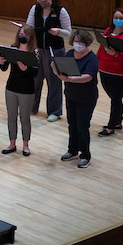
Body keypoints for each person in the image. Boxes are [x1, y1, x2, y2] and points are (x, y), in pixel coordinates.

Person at [54, 30, 99, 169]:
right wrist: (56, 70)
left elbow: (87, 77)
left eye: (80, 42)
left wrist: (69, 79)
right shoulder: (69, 54)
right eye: (76, 41)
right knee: (72, 125)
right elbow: (61, 70)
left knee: (82, 127)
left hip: (86, 98)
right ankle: (72, 151)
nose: (77, 44)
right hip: (71, 95)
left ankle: (85, 155)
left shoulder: (92, 59)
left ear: (86, 43)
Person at [28, 0, 72, 122]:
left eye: (45, 1)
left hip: (56, 51)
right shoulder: (34, 9)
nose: (42, 4)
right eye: (40, 1)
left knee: (54, 82)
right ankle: (31, 107)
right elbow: (29, 28)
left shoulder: (61, 11)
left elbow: (68, 32)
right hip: (38, 49)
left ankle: (54, 111)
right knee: (35, 79)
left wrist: (59, 32)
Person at [97, 7, 123, 137]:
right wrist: (96, 61)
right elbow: (101, 48)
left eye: (121, 18)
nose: (118, 20)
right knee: (115, 97)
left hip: (121, 73)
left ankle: (111, 126)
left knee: (115, 98)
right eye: (116, 18)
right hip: (104, 70)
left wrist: (115, 54)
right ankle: (117, 122)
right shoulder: (108, 31)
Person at [0, 24, 38, 156]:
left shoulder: (34, 52)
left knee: (25, 118)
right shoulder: (12, 48)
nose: (23, 36)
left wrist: (25, 69)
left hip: (26, 90)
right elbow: (4, 69)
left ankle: (26, 145)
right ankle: (12, 144)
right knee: (11, 117)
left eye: (25, 34)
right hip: (11, 87)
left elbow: (35, 74)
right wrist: (2, 63)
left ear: (31, 37)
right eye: (21, 34)